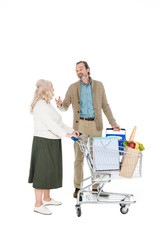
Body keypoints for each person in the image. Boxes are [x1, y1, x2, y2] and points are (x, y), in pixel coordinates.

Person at [56, 61, 120, 198]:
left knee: (97, 158)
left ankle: (96, 188)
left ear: (88, 69)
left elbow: (105, 106)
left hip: (96, 125)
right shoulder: (73, 87)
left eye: (80, 69)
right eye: (76, 70)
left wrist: (113, 123)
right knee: (78, 158)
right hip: (80, 126)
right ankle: (78, 187)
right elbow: (65, 106)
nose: (78, 71)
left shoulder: (99, 85)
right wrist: (60, 105)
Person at [28, 79, 79, 215]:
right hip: (43, 142)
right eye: (52, 88)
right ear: (46, 90)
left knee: (49, 171)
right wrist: (66, 134)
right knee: (41, 172)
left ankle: (47, 198)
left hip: (52, 141)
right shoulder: (40, 105)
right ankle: (38, 204)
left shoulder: (48, 104)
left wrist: (72, 130)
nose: (54, 90)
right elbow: (51, 125)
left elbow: (59, 123)